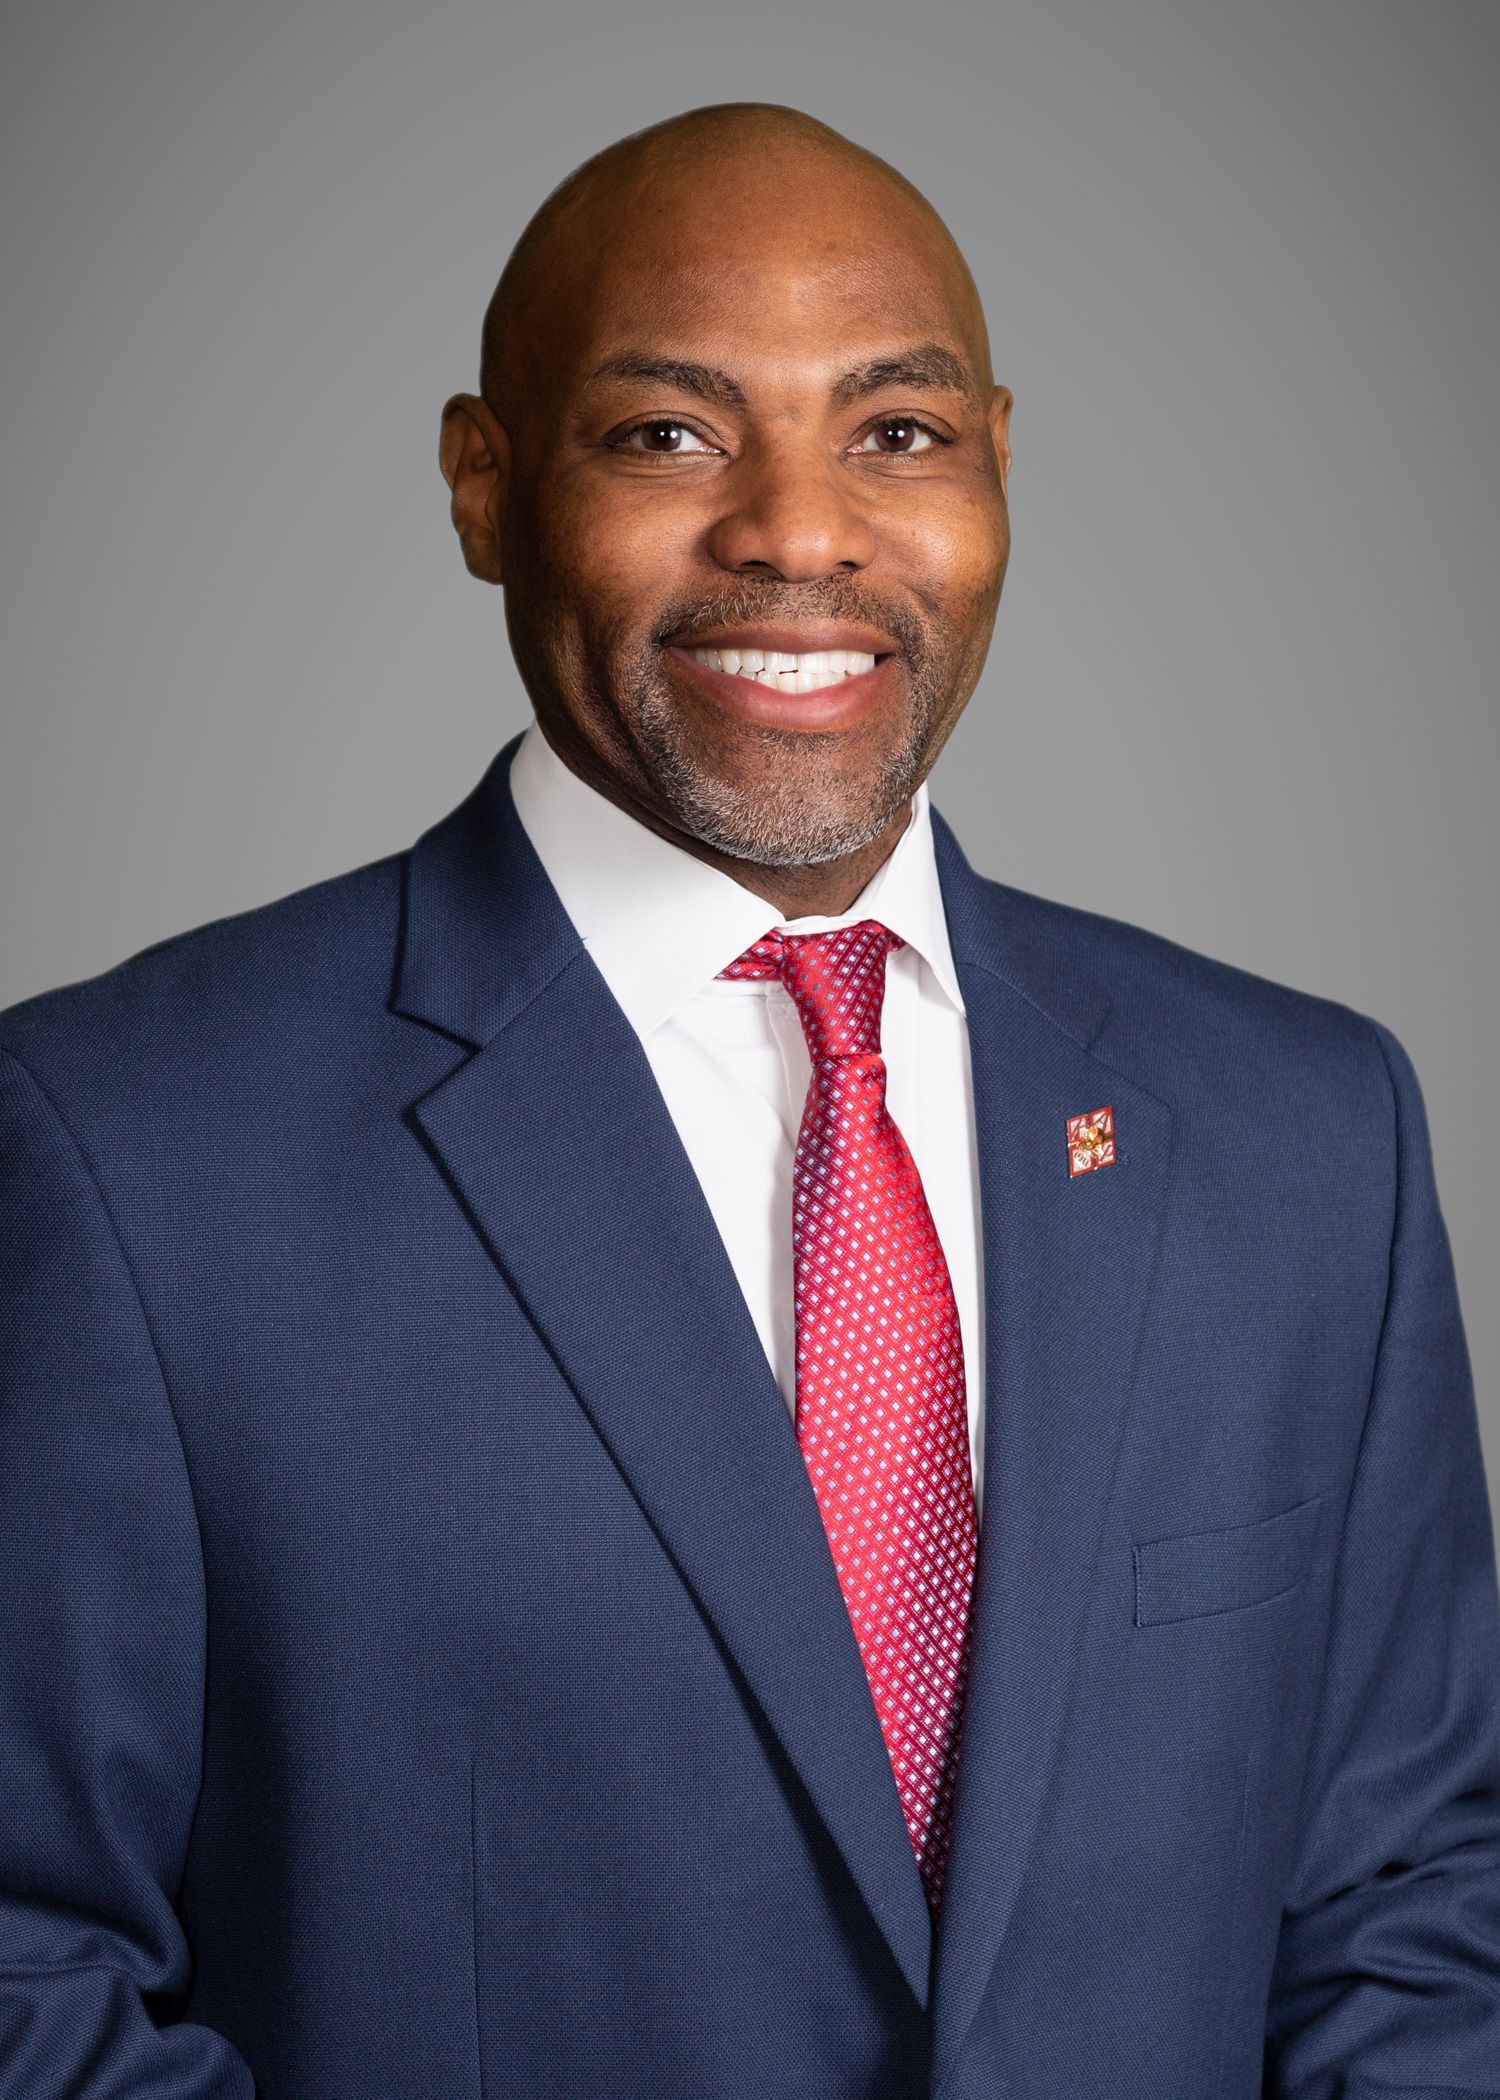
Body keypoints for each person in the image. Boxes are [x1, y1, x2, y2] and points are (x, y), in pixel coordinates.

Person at [1, 98, 1496, 2100]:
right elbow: (26, 1968)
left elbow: (1413, 1906)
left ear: (998, 475)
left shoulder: (1309, 1136)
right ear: (483, 484)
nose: (802, 530)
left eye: (898, 429)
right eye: (667, 433)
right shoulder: (126, 1154)